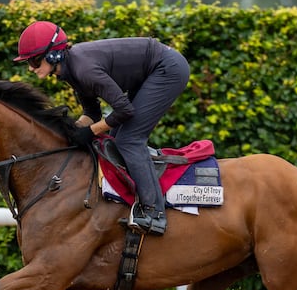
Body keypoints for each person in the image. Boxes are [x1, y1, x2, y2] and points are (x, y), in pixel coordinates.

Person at [13, 20, 190, 236]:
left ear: (53, 55)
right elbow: (92, 114)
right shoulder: (70, 70)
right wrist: (69, 132)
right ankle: (131, 200)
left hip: (168, 69)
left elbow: (124, 111)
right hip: (152, 69)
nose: (30, 68)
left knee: (129, 140)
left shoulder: (84, 69)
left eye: (34, 60)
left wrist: (89, 131)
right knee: (114, 140)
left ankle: (155, 213)